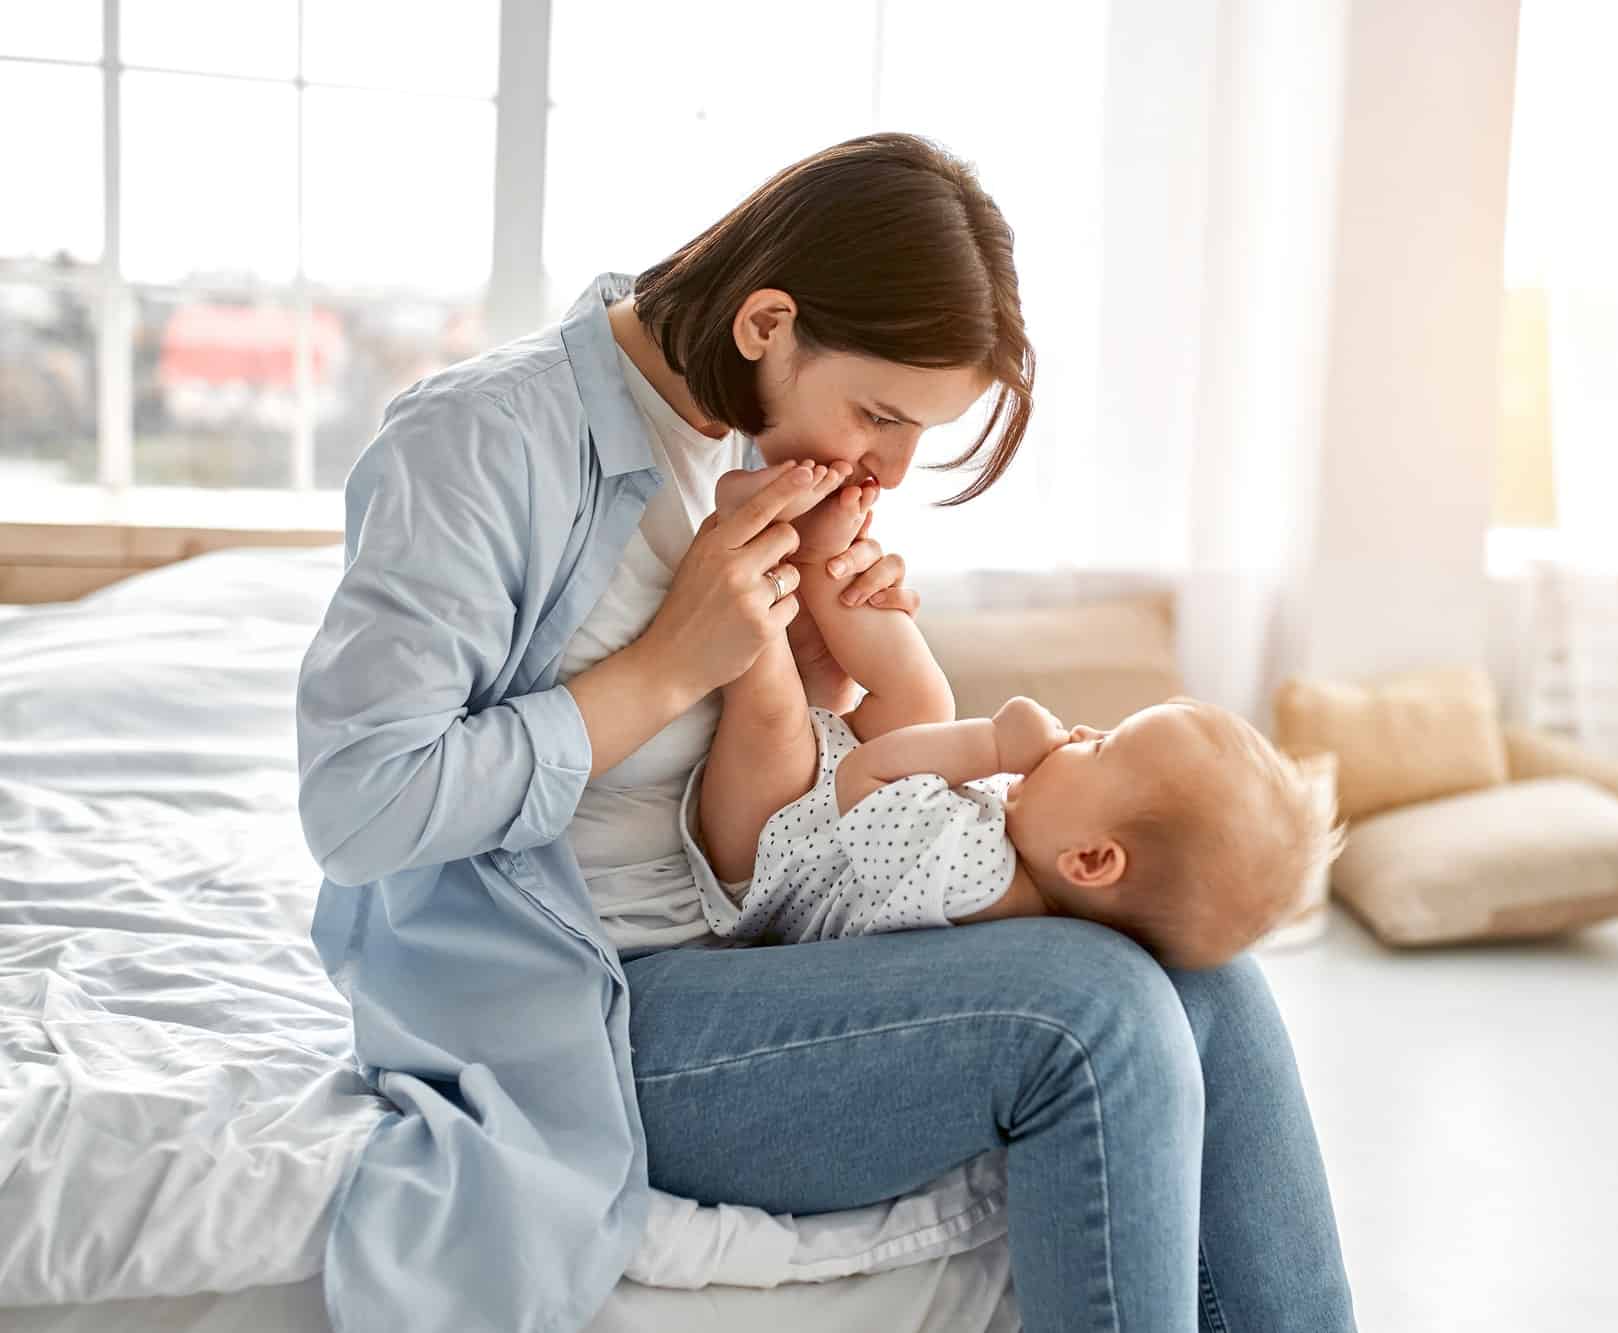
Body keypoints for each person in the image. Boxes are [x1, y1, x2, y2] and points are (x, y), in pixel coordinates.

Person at [294, 131, 1358, 1332]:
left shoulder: (753, 443)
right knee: (1090, 1004)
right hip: (589, 1006)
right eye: (879, 414)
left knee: (1213, 983)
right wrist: (663, 669)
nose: (890, 470)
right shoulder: (478, 443)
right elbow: (358, 807)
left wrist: (818, 679)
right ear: (766, 323)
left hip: (769, 939)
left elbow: (798, 803)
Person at [690, 460, 1337, 967]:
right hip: (828, 808)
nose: (1083, 731)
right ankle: (817, 560)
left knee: (776, 717)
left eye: (1103, 746)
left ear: (1090, 861)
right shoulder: (1037, 853)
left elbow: (867, 775)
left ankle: (747, 558)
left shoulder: (975, 879)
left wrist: (992, 744)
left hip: (771, 850)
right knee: (923, 702)